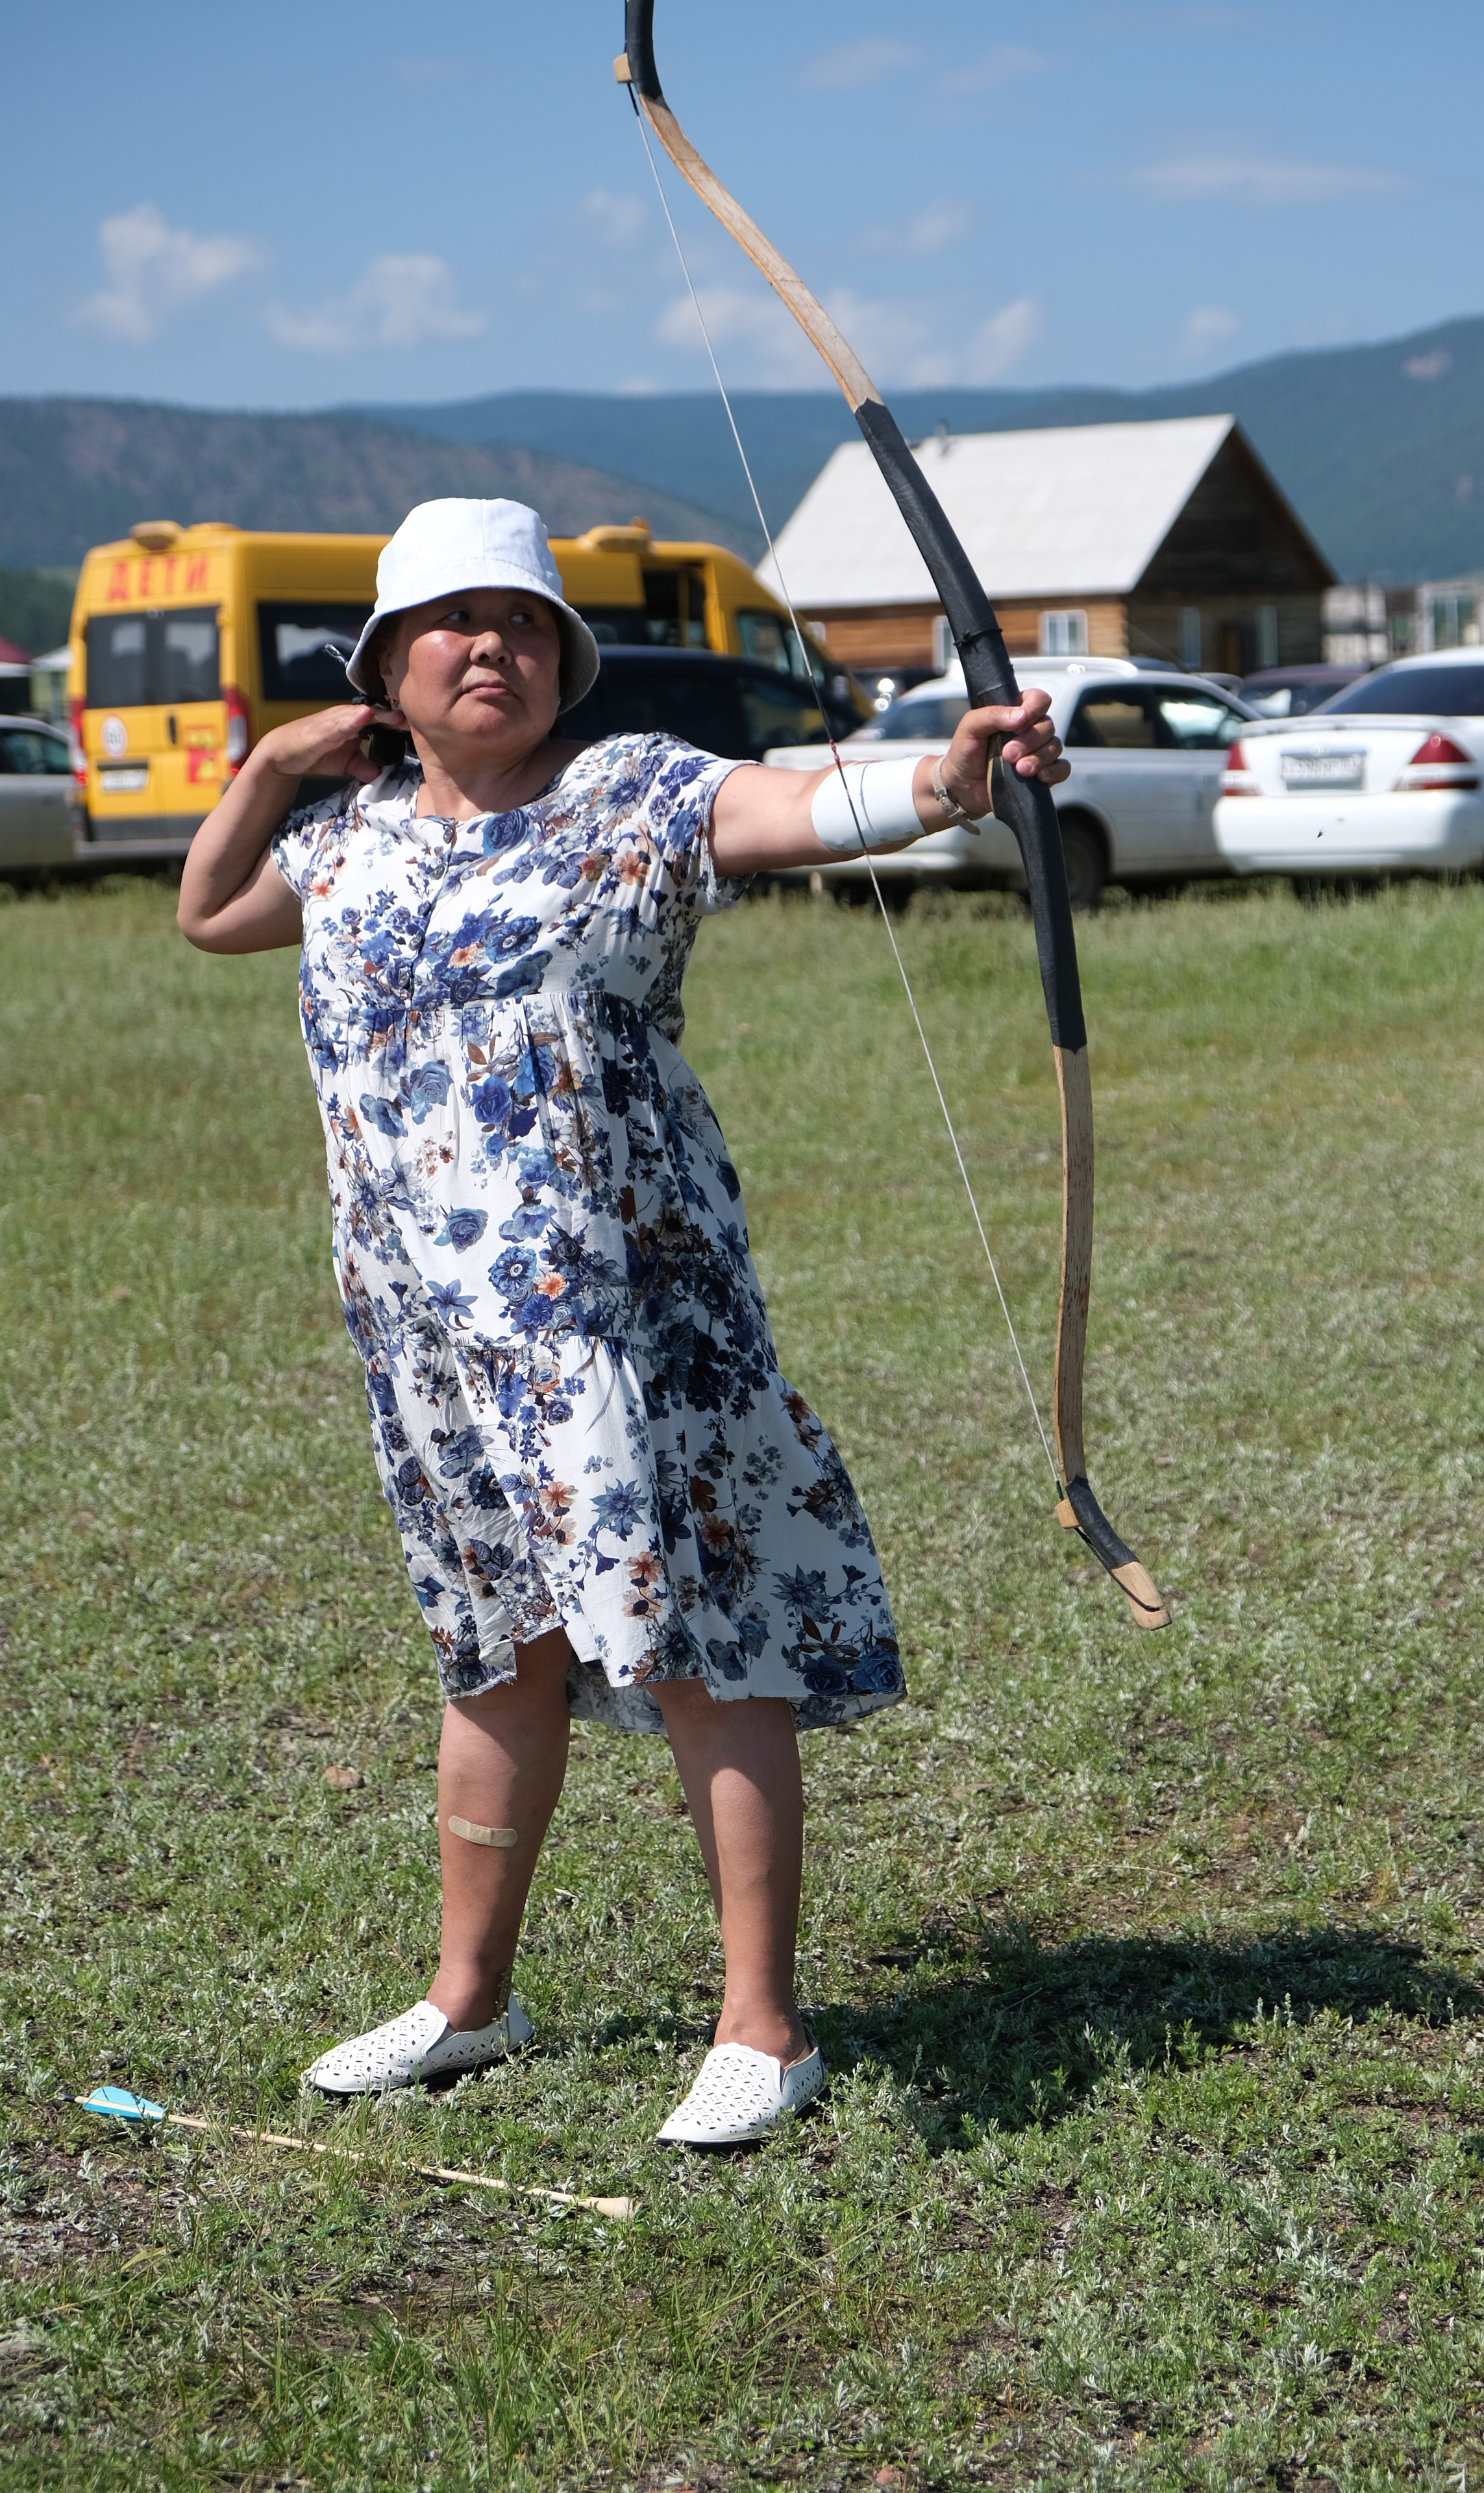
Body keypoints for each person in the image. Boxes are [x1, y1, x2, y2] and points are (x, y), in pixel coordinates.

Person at [178, 498, 1068, 2146]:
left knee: (703, 1647)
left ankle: (763, 2025)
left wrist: (950, 779)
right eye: (448, 622)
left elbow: (809, 806)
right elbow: (210, 915)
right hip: (430, 1343)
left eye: (520, 622)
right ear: (386, 666)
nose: (489, 647)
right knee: (492, 1648)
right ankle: (469, 2001)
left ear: (562, 659)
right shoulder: (348, 837)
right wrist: (272, 765)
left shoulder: (629, 795)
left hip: (627, 1325)